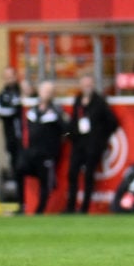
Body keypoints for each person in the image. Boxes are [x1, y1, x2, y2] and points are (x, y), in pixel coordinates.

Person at [66, 75, 118, 214]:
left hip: (93, 144)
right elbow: (74, 120)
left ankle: (84, 207)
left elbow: (113, 122)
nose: (87, 87)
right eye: (84, 84)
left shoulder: (99, 101)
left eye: (89, 84)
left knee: (89, 175)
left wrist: (101, 138)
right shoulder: (78, 101)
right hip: (79, 143)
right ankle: (70, 206)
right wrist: (72, 135)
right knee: (72, 173)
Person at [22, 81, 68, 214]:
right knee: (19, 169)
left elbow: (67, 130)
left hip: (48, 153)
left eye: (49, 91)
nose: (46, 94)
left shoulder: (56, 111)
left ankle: (40, 210)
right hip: (32, 152)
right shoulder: (33, 110)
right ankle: (22, 204)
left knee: (46, 182)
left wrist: (60, 139)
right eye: (44, 91)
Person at [0, 67, 24, 196]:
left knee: (26, 167)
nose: (9, 79)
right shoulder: (1, 95)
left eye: (12, 76)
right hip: (11, 138)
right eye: (7, 76)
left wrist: (17, 106)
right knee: (15, 167)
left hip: (26, 138)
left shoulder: (22, 91)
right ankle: (20, 200)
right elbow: (0, 112)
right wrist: (16, 108)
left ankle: (29, 201)